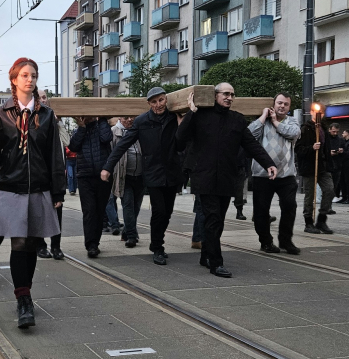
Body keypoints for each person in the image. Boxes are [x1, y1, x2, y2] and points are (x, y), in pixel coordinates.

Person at [0, 57, 66, 328]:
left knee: (31, 245)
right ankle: (24, 299)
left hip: (39, 188)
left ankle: (25, 291)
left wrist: (58, 191)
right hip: (11, 188)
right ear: (14, 80)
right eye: (25, 75)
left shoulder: (47, 115)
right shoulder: (0, 114)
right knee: (18, 243)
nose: (30, 79)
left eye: (34, 75)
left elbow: (55, 155)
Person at [177, 84, 277, 277]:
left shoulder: (237, 120)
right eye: (226, 94)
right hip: (204, 177)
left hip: (226, 179)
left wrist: (268, 163)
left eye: (232, 94)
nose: (230, 97)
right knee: (213, 218)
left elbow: (251, 145)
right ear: (215, 96)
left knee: (218, 220)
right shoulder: (199, 116)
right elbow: (180, 140)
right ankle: (216, 263)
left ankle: (205, 254)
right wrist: (191, 113)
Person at [102, 87, 186, 265]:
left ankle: (157, 242)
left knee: (168, 212)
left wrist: (186, 119)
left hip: (171, 172)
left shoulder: (174, 118)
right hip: (153, 174)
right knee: (159, 211)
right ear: (149, 104)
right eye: (154, 102)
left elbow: (183, 143)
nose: (158, 105)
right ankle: (157, 247)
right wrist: (108, 167)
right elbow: (122, 145)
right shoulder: (141, 121)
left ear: (166, 100)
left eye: (161, 100)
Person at [247, 93, 301, 255]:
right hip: (262, 174)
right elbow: (249, 135)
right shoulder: (262, 122)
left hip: (286, 174)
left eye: (285, 104)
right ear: (273, 104)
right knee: (261, 210)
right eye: (279, 103)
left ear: (289, 107)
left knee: (290, 205)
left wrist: (277, 123)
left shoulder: (292, 121)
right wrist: (264, 116)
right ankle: (266, 241)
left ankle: (286, 240)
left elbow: (294, 134)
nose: (282, 106)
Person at [69, 116, 113, 258]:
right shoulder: (79, 130)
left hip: (103, 176)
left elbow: (107, 138)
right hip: (85, 177)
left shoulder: (102, 125)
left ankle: (95, 242)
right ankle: (91, 245)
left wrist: (102, 120)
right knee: (89, 211)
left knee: (100, 211)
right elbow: (73, 146)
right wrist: (81, 127)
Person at [36, 88, 68, 260]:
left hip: (57, 174)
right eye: (39, 97)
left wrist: (59, 123)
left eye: (44, 97)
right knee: (40, 212)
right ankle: (41, 245)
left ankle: (56, 246)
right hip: (42, 174)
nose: (42, 100)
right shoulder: (37, 120)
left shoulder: (53, 119)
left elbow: (68, 142)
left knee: (58, 211)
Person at [296, 103, 335, 234]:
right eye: (316, 112)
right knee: (310, 195)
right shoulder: (305, 129)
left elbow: (326, 148)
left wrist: (329, 163)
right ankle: (308, 222)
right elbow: (298, 149)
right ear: (311, 112)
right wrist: (311, 148)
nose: (319, 115)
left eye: (321, 113)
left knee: (329, 190)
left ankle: (321, 220)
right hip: (309, 166)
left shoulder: (324, 128)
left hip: (322, 166)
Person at [110, 116, 144, 248]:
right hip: (125, 176)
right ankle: (131, 236)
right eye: (126, 118)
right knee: (128, 205)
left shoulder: (139, 130)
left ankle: (126, 232)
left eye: (132, 117)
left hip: (140, 176)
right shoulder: (114, 132)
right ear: (120, 118)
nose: (130, 120)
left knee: (136, 206)